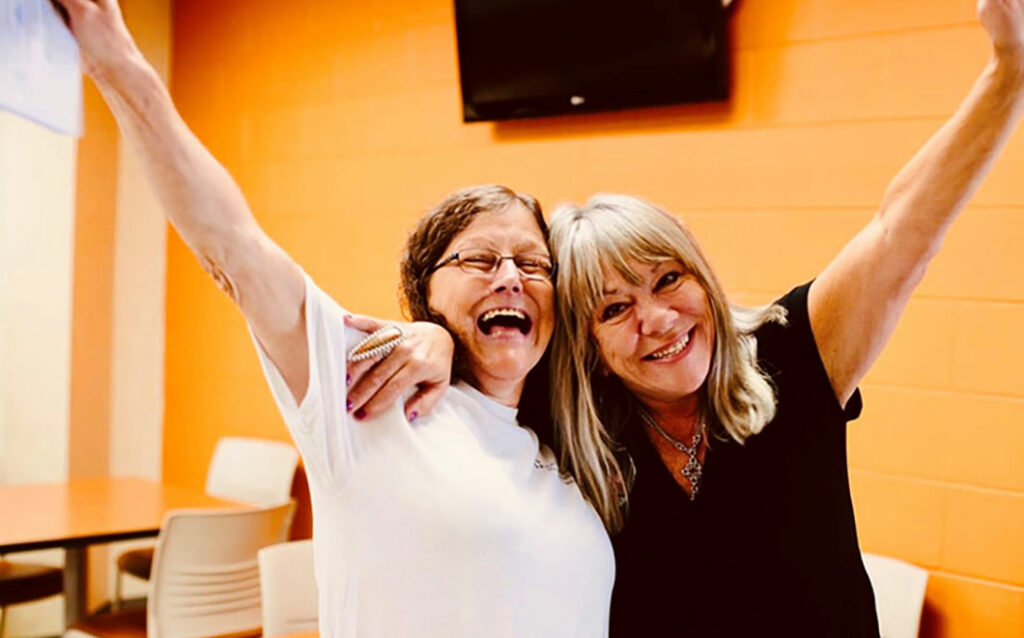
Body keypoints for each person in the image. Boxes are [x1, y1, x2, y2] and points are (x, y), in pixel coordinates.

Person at [54, 1, 613, 637]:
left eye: (533, 265)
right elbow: (233, 248)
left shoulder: (569, 428)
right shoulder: (373, 387)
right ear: (425, 292)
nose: (511, 276)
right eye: (480, 259)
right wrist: (119, 66)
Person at [546, 1, 1024, 636]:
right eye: (614, 308)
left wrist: (1008, 70)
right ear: (587, 341)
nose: (658, 319)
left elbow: (900, 231)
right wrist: (427, 342)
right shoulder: (578, 433)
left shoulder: (794, 351)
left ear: (703, 276)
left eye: (669, 279)